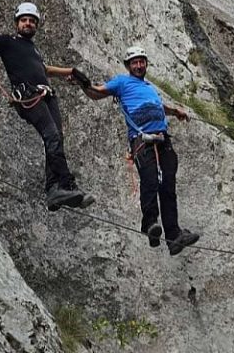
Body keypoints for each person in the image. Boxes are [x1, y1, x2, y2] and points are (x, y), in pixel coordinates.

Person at [0, 3, 95, 211]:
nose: (28, 23)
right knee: (52, 135)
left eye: (32, 21)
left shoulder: (33, 50)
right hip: (29, 97)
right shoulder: (7, 41)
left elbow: (45, 70)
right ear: (17, 23)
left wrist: (71, 71)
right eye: (24, 20)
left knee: (56, 138)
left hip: (46, 95)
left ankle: (54, 189)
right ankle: (66, 185)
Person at [82, 46, 200, 255]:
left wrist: (175, 112)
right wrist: (83, 83)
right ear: (128, 66)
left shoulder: (149, 88)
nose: (138, 65)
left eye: (141, 62)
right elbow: (96, 93)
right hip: (142, 140)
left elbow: (159, 106)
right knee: (150, 180)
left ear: (146, 64)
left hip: (163, 139)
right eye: (134, 62)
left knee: (168, 187)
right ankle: (150, 223)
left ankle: (174, 236)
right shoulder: (122, 82)